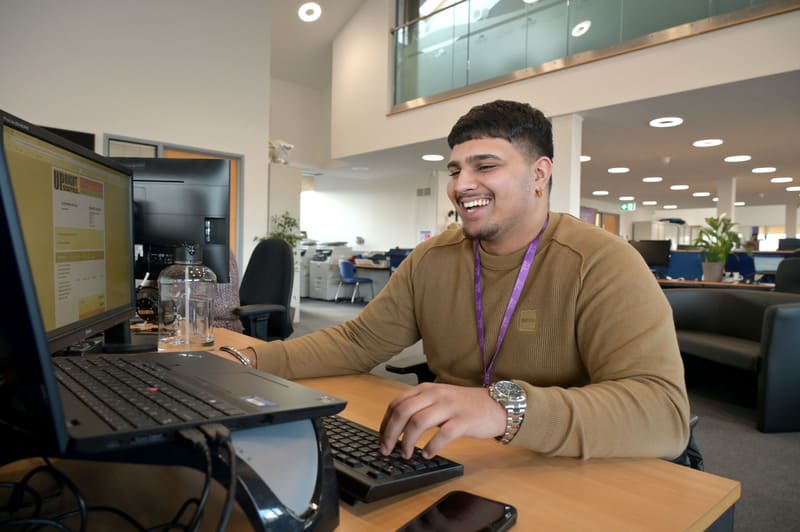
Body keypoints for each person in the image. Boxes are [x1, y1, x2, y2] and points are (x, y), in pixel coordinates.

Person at [216, 100, 690, 461]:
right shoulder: (433, 258)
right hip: (454, 451)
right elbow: (358, 341)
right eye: (456, 170)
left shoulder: (602, 262)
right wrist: (250, 356)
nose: (462, 185)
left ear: (540, 174)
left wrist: (501, 408)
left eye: (485, 166)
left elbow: (662, 413)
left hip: (560, 461)